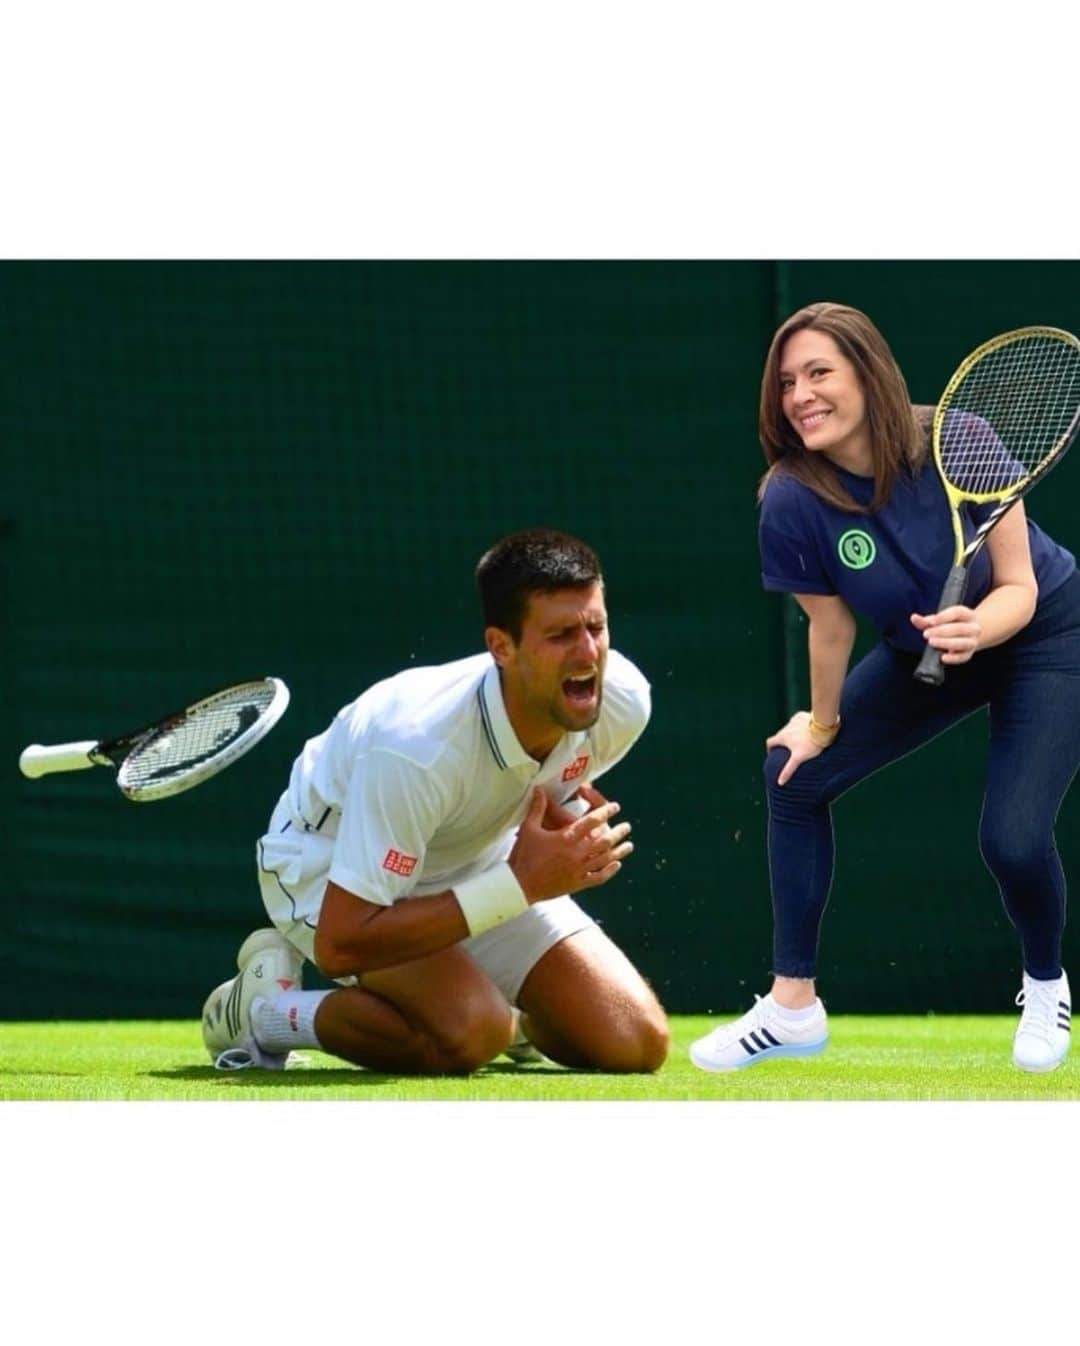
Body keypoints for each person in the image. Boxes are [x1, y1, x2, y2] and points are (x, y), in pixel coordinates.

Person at [691, 302, 1078, 1075]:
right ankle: (792, 1006)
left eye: (819, 373)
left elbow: (1020, 587)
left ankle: (1045, 985)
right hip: (920, 650)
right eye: (787, 381)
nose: (800, 394)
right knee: (792, 779)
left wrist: (980, 628)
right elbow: (829, 629)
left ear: (867, 374)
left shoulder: (960, 438)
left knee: (1012, 839)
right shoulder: (792, 497)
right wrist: (821, 724)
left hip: (1045, 638)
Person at [202, 528, 669, 1075]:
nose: (588, 652)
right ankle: (264, 1012)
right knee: (471, 1033)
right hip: (326, 870)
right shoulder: (417, 746)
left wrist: (564, 831)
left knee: (633, 1043)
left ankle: (505, 1011)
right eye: (562, 634)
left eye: (596, 626)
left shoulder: (621, 702)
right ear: (501, 646)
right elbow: (342, 943)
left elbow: (535, 790)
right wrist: (521, 884)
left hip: (477, 862)